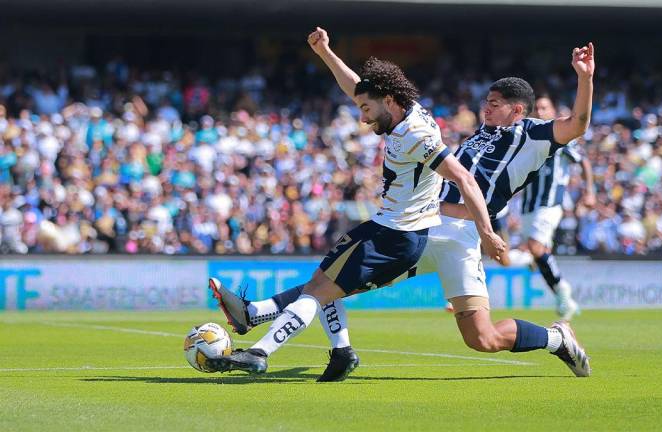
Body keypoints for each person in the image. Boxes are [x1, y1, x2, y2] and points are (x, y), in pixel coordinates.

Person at [210, 32, 596, 381]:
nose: (486, 109)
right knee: (334, 283)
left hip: (462, 235)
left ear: (517, 109)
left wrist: (584, 77)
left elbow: (577, 124)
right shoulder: (476, 132)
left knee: (483, 338)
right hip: (424, 225)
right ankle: (262, 316)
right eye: (485, 102)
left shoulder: (534, 134)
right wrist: (327, 53)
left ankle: (555, 338)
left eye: (494, 104)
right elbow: (365, 93)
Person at [515, 94, 596, 321]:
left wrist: (589, 191)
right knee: (536, 254)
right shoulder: (528, 138)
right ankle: (565, 301)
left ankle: (563, 291)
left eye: (544, 108)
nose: (540, 112)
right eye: (537, 109)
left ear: (552, 111)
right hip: (528, 207)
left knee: (535, 247)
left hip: (549, 204)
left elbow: (584, 161)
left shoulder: (562, 138)